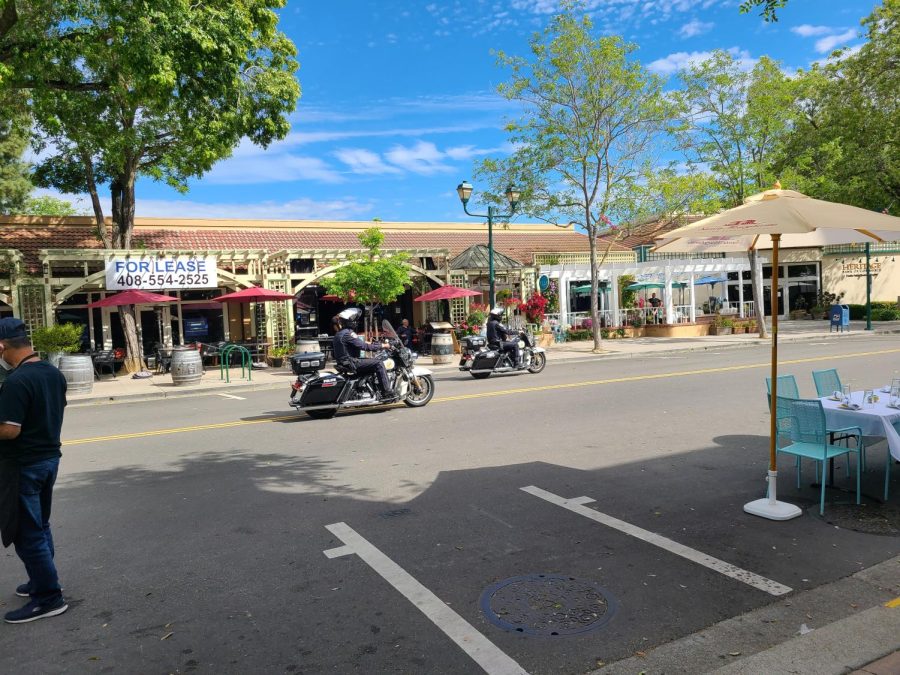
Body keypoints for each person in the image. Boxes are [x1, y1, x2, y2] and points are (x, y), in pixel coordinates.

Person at [0, 318, 68, 623]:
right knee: (40, 525)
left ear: (2, 347)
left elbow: (10, 430)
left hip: (24, 464)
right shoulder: (53, 374)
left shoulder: (17, 381)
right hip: (48, 459)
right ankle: (42, 581)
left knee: (27, 533)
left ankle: (48, 597)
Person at [332, 308, 395, 402]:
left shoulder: (340, 334)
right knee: (378, 363)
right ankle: (387, 393)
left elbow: (358, 342)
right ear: (350, 321)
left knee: (371, 361)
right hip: (351, 362)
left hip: (345, 362)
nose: (356, 322)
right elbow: (364, 346)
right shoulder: (348, 333)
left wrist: (374, 343)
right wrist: (384, 345)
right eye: (354, 320)